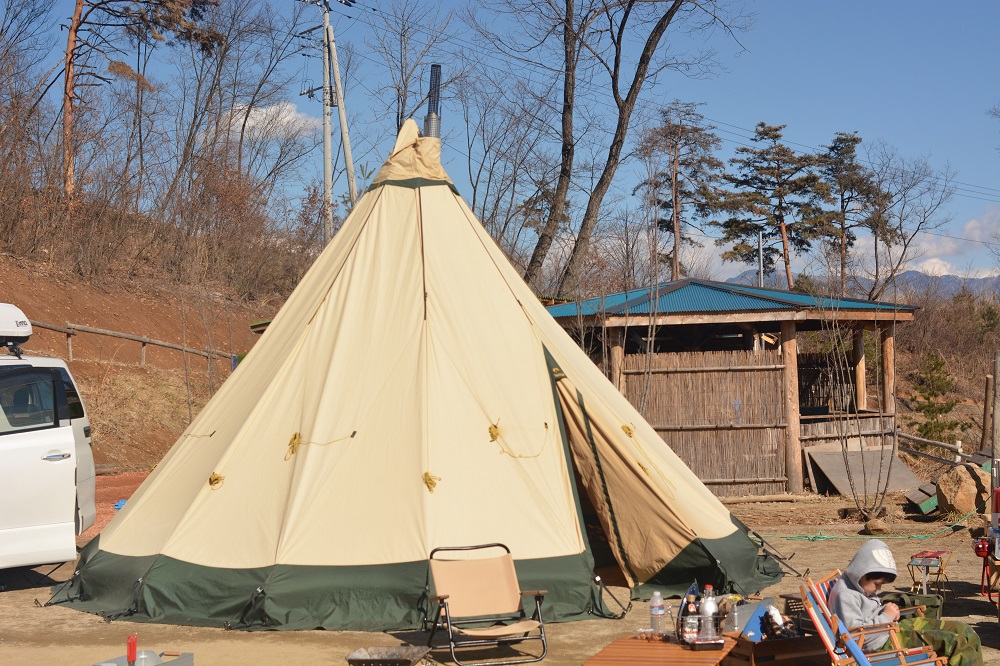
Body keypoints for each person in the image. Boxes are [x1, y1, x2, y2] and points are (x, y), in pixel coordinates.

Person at [828, 539, 982, 666]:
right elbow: (854, 636)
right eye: (877, 584)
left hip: (890, 630)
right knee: (954, 643)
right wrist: (886, 617)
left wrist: (887, 613)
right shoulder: (845, 596)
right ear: (862, 572)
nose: (878, 589)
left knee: (964, 630)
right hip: (882, 643)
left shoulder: (858, 586)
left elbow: (868, 616)